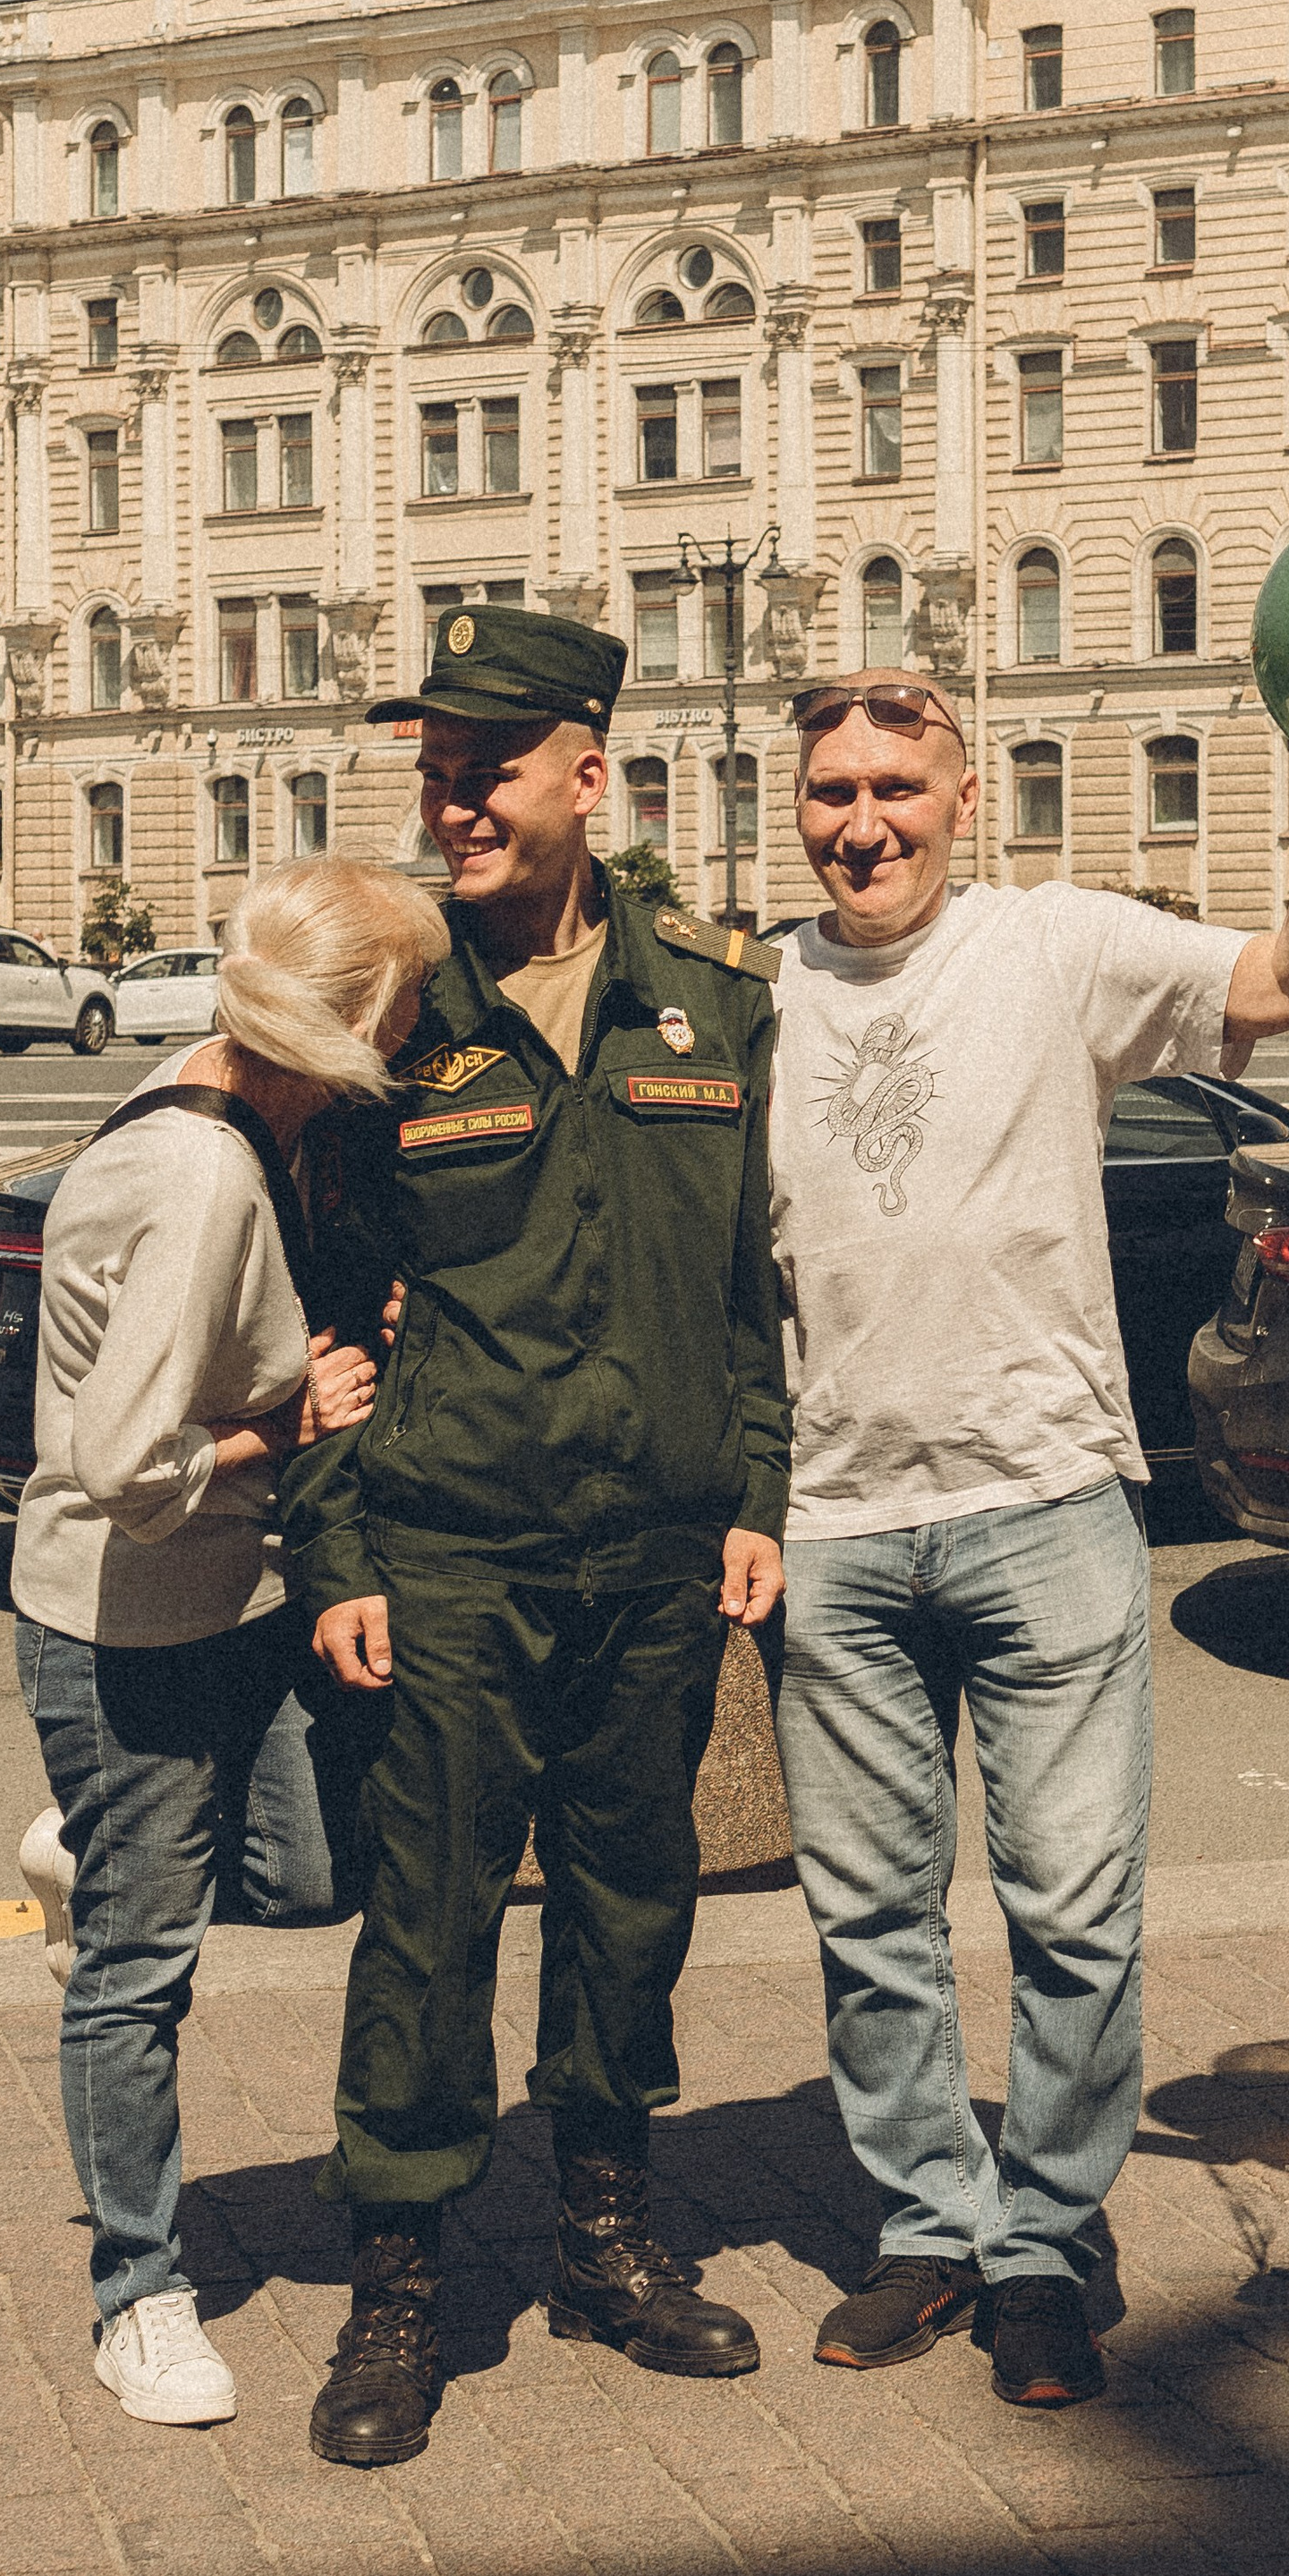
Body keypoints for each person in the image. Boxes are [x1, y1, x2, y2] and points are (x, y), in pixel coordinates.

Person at [767, 634, 1289, 2410]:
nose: (863, 825)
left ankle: (1041, 2239)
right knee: (868, 1915)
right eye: (831, 795)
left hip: (1041, 1501)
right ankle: (922, 2225)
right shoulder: (752, 996)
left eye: (896, 789)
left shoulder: (1056, 945)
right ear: (787, 811)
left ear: (961, 792)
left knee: (1073, 1908)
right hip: (833, 1522)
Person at [284, 604, 789, 2470]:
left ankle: (601, 2237)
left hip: (654, 1551)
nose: (451, 799)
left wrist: (758, 1494)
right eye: (431, 768)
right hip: (450, 1553)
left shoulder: (713, 999)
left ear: (588, 772)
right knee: (421, 1926)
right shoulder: (387, 1011)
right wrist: (332, 1558)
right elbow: (324, 1320)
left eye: (484, 764)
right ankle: (399, 2284)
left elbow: (746, 1293)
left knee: (630, 1903)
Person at [11, 858, 448, 2428]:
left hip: (232, 1603)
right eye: (405, 1005)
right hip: (124, 1617)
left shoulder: (210, 1088)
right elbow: (122, 1467)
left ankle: (99, 1841)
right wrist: (285, 1420)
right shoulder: (205, 1179)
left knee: (317, 1870)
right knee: (141, 1972)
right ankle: (139, 2289)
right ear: (355, 1021)